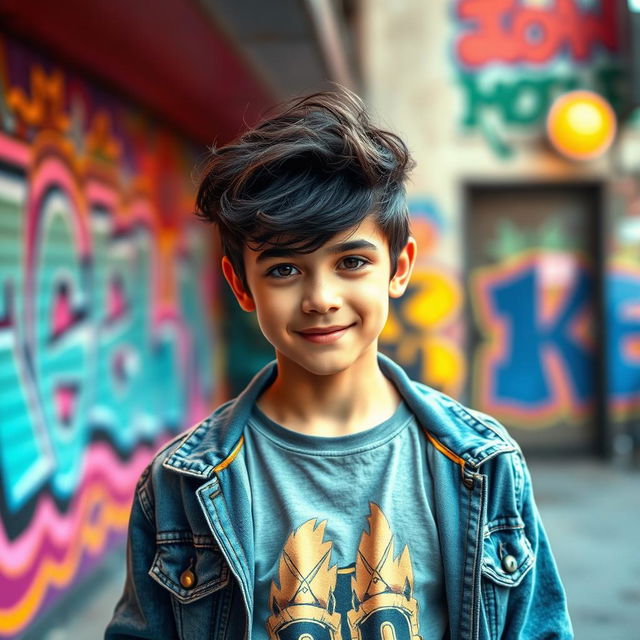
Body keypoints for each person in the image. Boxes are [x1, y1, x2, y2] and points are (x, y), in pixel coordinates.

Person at [105, 87, 573, 640]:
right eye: (284, 269)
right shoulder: (180, 484)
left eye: (351, 261)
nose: (320, 298)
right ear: (241, 285)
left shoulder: (484, 465)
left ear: (399, 269)